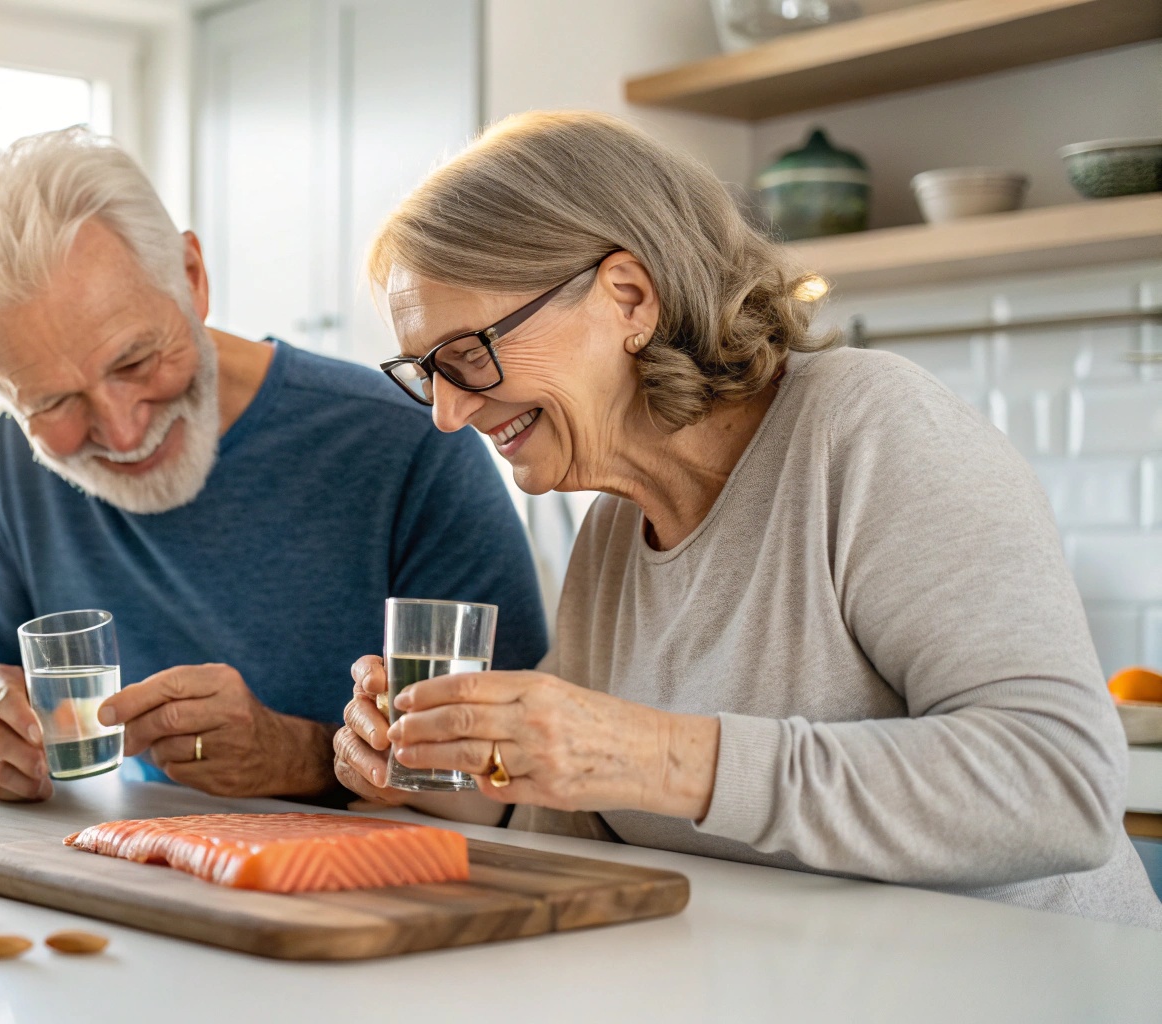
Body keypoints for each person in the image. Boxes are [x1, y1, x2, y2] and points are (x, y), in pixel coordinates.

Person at [333, 110, 1162, 929]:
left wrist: (654, 755)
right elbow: (579, 826)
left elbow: (1061, 786)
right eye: (425, 372)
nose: (445, 413)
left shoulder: (868, 428)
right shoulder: (613, 533)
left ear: (630, 297)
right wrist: (440, 769)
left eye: (468, 355)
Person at [0, 127, 546, 804]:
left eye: (135, 360)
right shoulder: (18, 458)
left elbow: (516, 773)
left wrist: (302, 756)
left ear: (192, 277)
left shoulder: (409, 442)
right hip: (132, 872)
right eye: (53, 401)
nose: (122, 431)